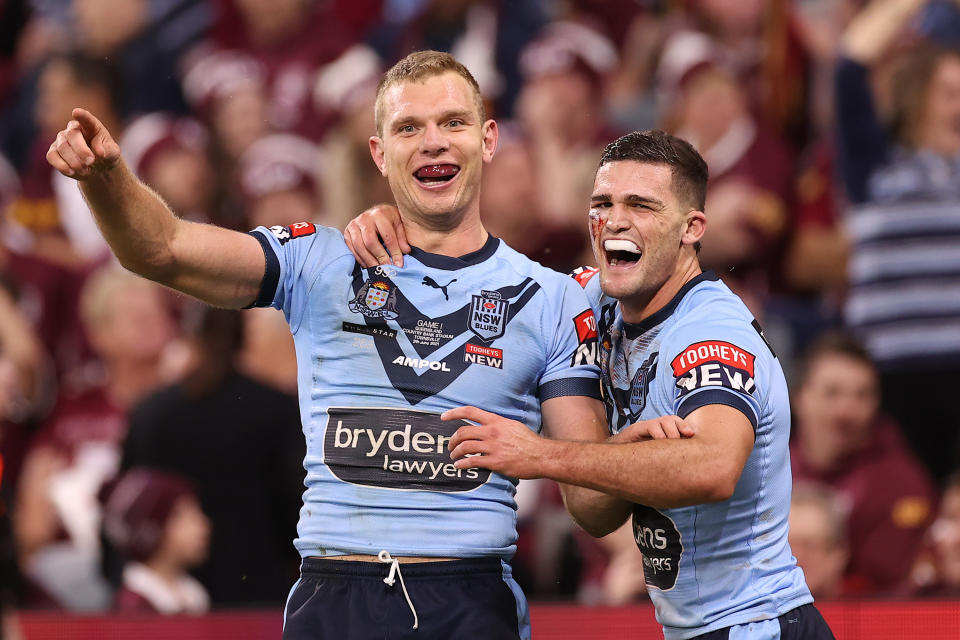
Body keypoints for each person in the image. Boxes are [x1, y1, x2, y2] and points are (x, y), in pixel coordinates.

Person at [45, 50, 687, 639]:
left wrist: (623, 460)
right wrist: (107, 178)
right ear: (379, 153)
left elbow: (592, 511)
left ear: (488, 140)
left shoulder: (552, 300)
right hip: (335, 591)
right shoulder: (316, 261)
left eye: (454, 122)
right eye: (410, 128)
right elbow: (162, 249)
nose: (433, 141)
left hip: (469, 597)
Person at [348, 130, 833, 639]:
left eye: (641, 205)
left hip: (758, 624)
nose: (616, 220)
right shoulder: (592, 300)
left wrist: (539, 455)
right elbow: (591, 513)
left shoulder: (709, 331)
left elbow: (713, 467)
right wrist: (397, 227)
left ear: (692, 227)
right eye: (603, 202)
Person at [790, 332, 936, 594]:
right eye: (832, 393)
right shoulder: (764, 472)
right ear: (800, 397)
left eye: (861, 395)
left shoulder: (902, 482)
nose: (846, 410)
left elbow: (891, 583)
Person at [101, 468, 211, 614]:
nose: (203, 526)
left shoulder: (193, 594)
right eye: (186, 517)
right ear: (152, 530)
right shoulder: (133, 608)